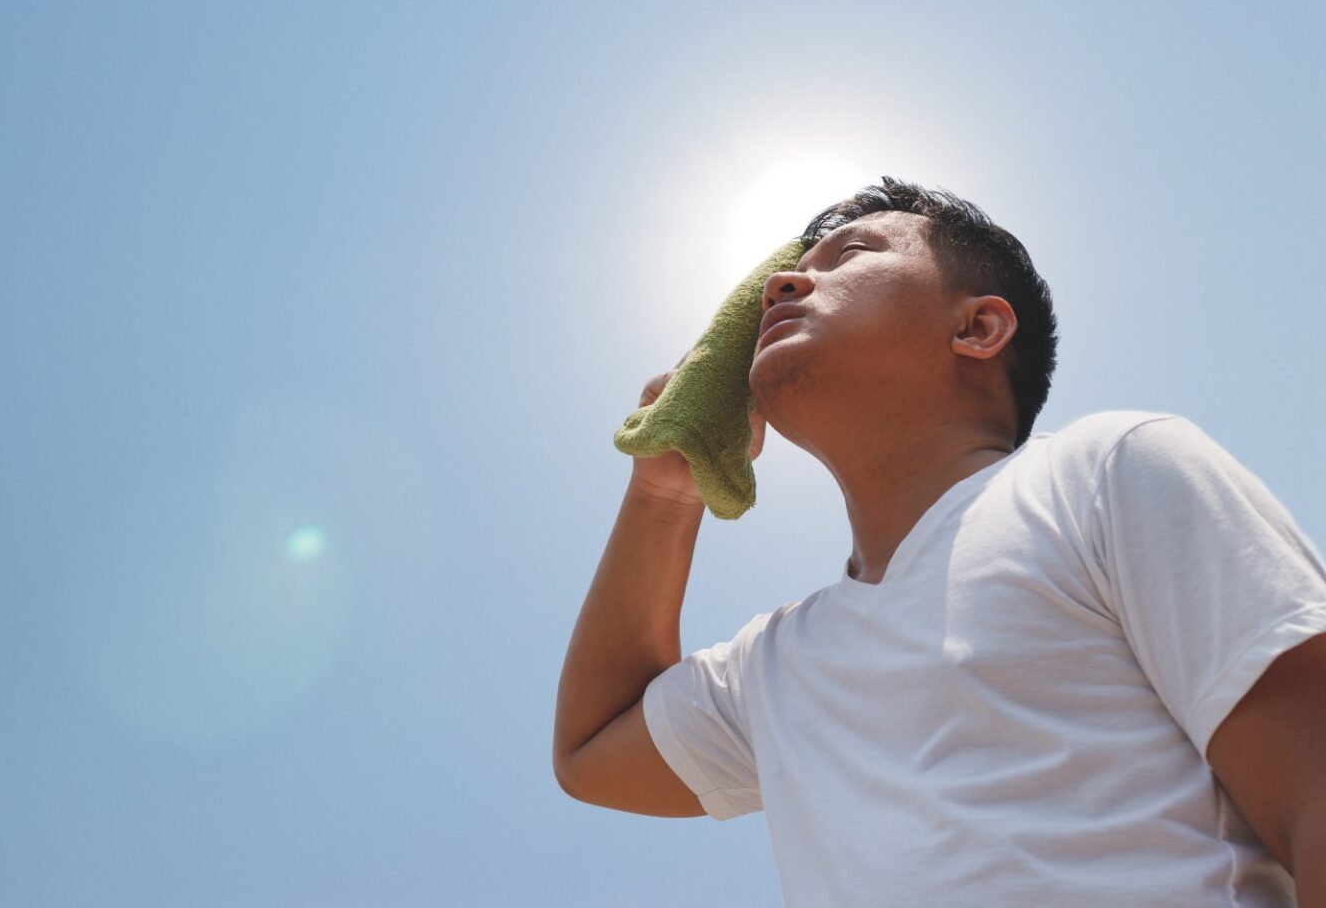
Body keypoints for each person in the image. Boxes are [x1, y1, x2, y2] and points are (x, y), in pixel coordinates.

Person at [552, 176, 1326, 906]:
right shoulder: (777, 665)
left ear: (978, 326)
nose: (781, 286)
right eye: (783, 278)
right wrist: (662, 488)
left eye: (850, 255)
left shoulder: (1104, 472)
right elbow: (592, 749)